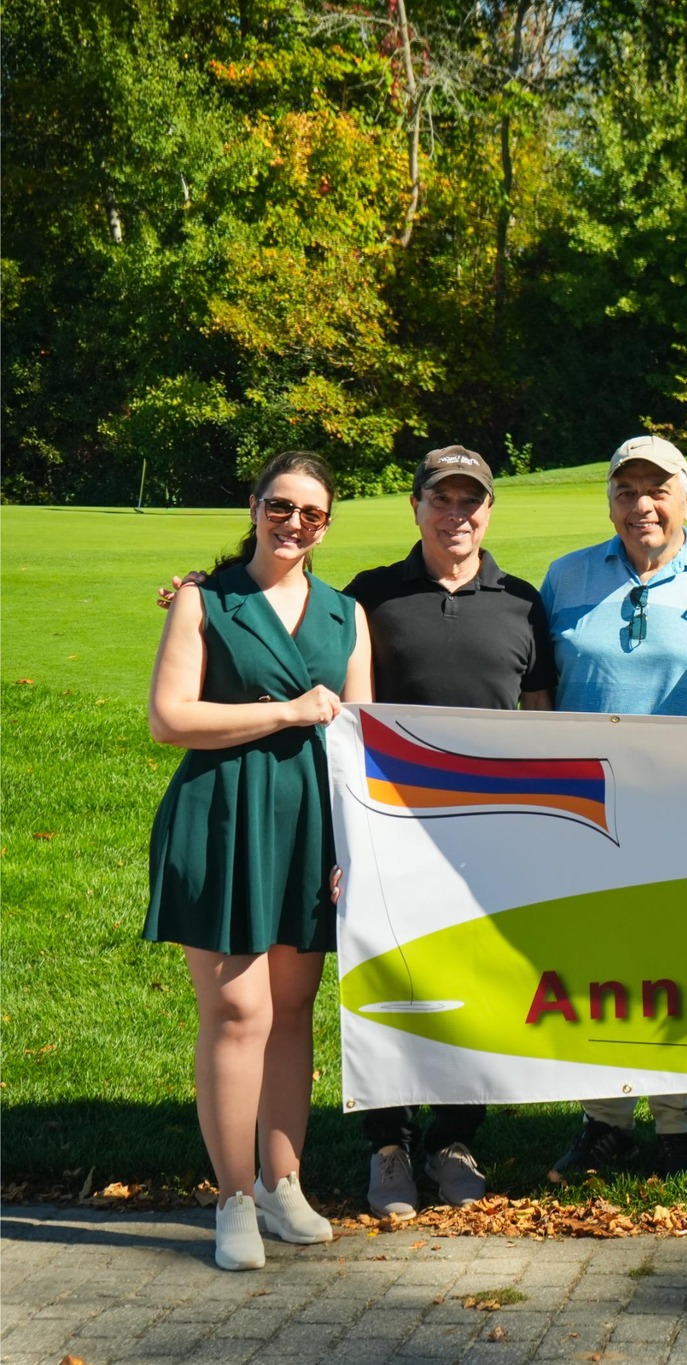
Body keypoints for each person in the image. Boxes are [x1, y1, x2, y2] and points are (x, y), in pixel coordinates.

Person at [146, 451, 374, 1271]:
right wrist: (285, 711)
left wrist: (359, 843)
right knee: (238, 1013)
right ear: (254, 506)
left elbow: (359, 742)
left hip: (310, 826)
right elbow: (169, 718)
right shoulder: (204, 602)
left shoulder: (347, 614)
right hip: (223, 819)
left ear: (327, 525)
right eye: (281, 506)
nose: (295, 524)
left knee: (292, 1009)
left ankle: (285, 1183)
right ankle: (233, 1197)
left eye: (313, 514)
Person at [342, 447, 556, 1219]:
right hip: (392, 822)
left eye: (472, 501)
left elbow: (540, 719)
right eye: (443, 499)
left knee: (469, 983)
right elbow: (343, 715)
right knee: (392, 981)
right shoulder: (369, 595)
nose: (457, 514)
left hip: (490, 828)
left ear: (489, 511)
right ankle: (389, 1145)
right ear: (416, 505)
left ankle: (456, 1137)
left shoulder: (523, 602)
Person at [539, 435, 687, 1183]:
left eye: (657, 489)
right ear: (610, 501)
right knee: (599, 968)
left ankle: (681, 1125)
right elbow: (536, 691)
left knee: (677, 969)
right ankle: (604, 1121)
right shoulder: (566, 577)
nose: (643, 505)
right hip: (586, 806)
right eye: (627, 490)